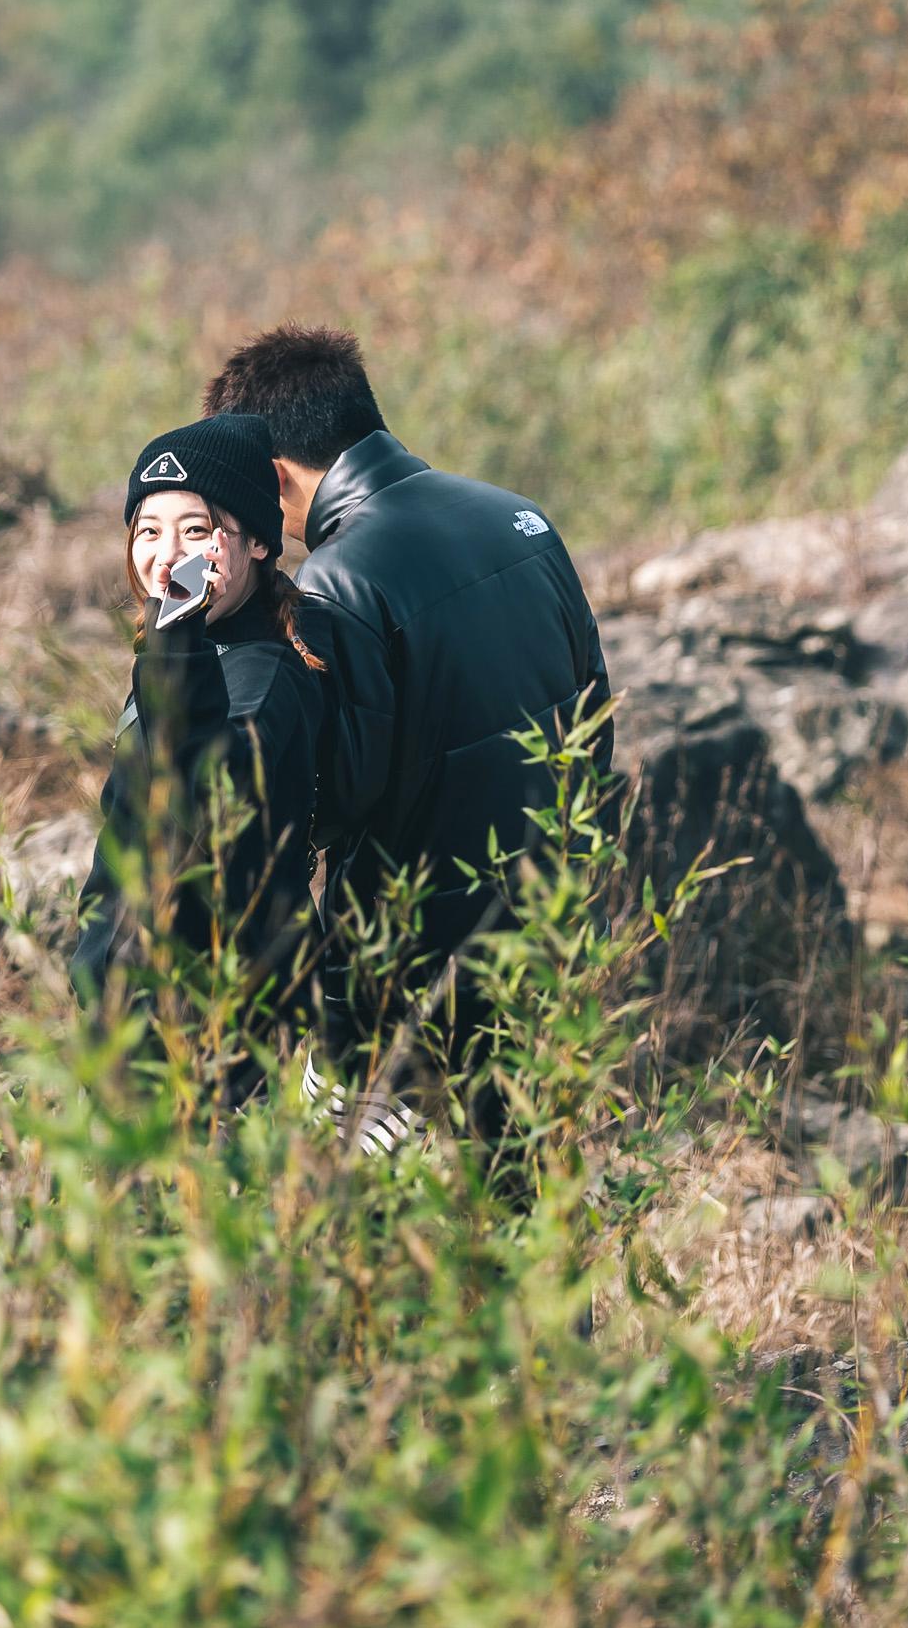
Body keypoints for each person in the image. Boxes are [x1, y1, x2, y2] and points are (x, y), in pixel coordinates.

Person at [199, 327, 610, 1135]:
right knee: (513, 1174)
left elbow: (338, 805)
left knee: (353, 1180)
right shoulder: (519, 515)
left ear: (272, 474)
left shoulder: (337, 577)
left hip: (404, 968)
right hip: (546, 927)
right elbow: (593, 706)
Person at [72, 413, 328, 1077]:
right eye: (148, 531)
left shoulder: (260, 675)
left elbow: (203, 808)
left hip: (209, 1035)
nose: (165, 555)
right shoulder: (187, 648)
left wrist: (178, 628)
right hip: (133, 1019)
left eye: (194, 531)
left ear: (257, 544)